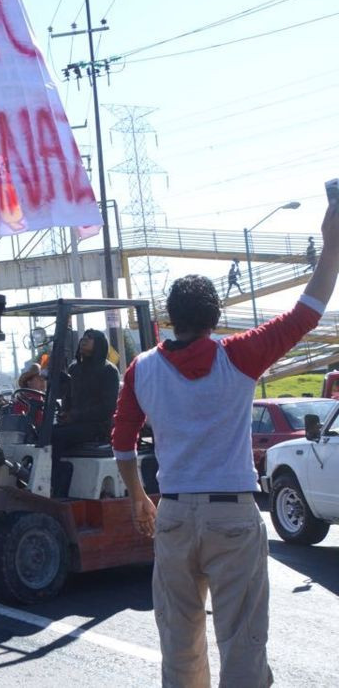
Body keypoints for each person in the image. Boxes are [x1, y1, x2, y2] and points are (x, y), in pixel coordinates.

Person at [112, 200, 339, 688]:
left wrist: (139, 499)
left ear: (169, 318)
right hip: (233, 515)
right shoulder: (238, 356)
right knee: (242, 644)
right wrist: (332, 246)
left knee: (178, 644)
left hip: (171, 515)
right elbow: (306, 314)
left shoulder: (141, 370)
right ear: (214, 319)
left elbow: (123, 442)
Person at [56, 330, 119, 450]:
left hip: (98, 427)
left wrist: (74, 416)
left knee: (56, 436)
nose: (84, 340)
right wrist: (64, 413)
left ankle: (54, 469)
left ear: (99, 343)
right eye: (83, 337)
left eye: (89, 337)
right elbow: (67, 398)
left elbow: (107, 408)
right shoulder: (74, 369)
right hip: (74, 423)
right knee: (41, 433)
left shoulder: (108, 370)